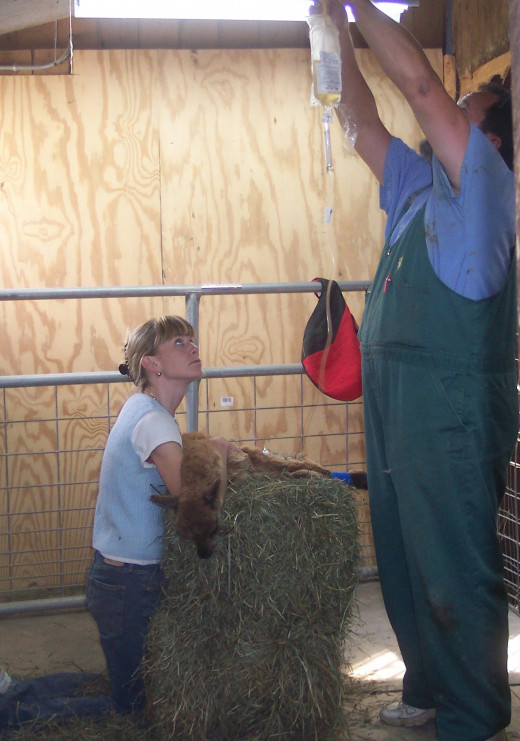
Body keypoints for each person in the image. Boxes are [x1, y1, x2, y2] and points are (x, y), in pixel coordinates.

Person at [312, 2, 517, 740]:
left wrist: (359, 1)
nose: (448, 110)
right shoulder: (415, 188)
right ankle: (428, 684)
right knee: (401, 546)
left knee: (453, 553)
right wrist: (333, 27)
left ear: (487, 138)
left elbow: (423, 91)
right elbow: (363, 121)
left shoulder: (487, 189)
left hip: (448, 397)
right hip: (397, 395)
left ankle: (476, 711)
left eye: (470, 108)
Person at [86, 315, 229, 715]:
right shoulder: (153, 421)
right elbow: (193, 503)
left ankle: (13, 696)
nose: (193, 348)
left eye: (192, 340)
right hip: (129, 582)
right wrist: (217, 453)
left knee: (128, 682)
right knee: (129, 706)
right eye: (180, 343)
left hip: (118, 576)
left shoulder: (142, 408)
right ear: (152, 363)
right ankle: (12, 710)